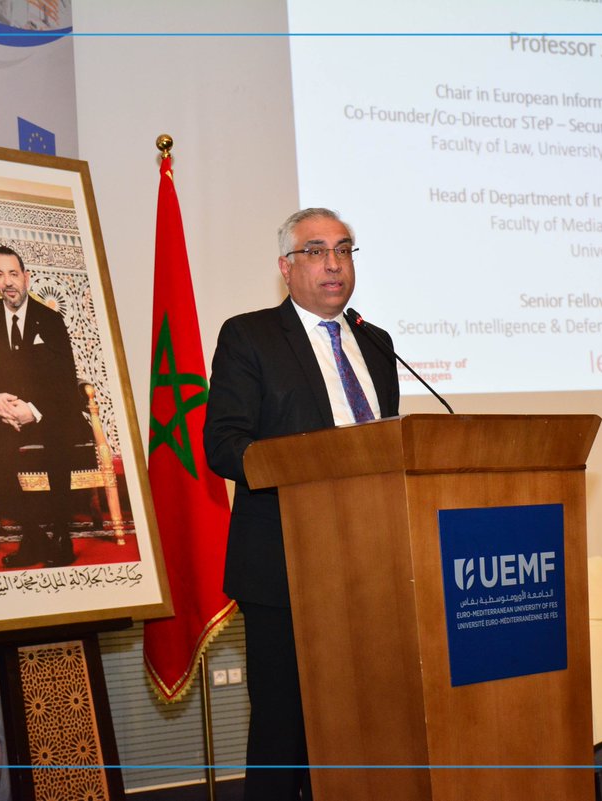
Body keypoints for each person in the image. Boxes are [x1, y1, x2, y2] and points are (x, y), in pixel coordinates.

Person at [203, 209, 401, 800]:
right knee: (284, 730)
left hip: (374, 564)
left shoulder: (375, 340)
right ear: (286, 267)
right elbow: (225, 446)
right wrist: (319, 464)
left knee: (365, 723)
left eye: (344, 250)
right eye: (316, 251)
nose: (334, 264)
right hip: (286, 566)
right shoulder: (250, 336)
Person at [0, 245, 87, 568]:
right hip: (7, 412)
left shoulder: (50, 319)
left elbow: (65, 378)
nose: (8, 282)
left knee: (60, 431)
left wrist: (34, 409)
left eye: (13, 274)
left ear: (26, 277)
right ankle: (33, 536)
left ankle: (60, 534)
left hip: (49, 410)